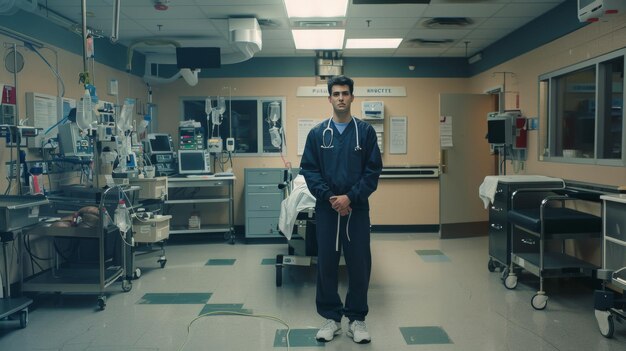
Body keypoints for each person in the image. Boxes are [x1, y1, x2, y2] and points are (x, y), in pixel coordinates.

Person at [299, 75, 383, 344]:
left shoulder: (365, 133)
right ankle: (331, 318)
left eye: (345, 93)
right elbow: (310, 172)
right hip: (327, 210)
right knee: (326, 264)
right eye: (336, 94)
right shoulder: (317, 134)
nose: (341, 98)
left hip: (357, 210)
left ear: (352, 97)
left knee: (359, 264)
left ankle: (356, 319)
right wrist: (331, 198)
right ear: (329, 98)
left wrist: (350, 198)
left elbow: (372, 172)